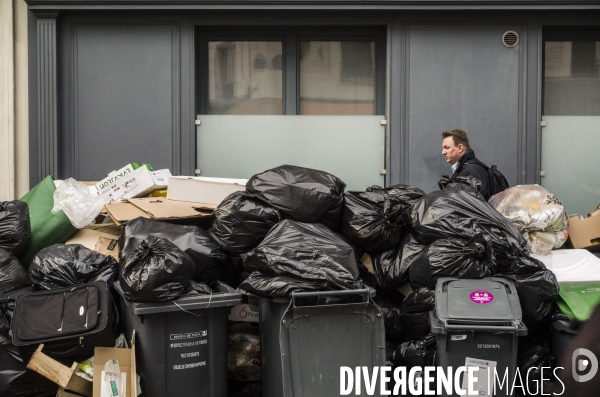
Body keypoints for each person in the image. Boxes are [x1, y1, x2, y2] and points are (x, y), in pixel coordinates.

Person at [441, 129, 491, 199]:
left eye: (447, 147)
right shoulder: (466, 168)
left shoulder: (471, 171)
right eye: (443, 148)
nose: (443, 152)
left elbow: (470, 205)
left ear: (460, 148)